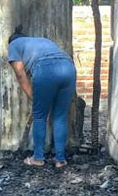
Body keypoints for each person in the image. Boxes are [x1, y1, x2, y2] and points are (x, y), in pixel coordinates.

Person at [7, 26, 76, 167]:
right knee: (60, 116)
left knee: (40, 116)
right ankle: (60, 159)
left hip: (46, 69)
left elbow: (21, 75)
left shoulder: (13, 45)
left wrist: (35, 97)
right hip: (68, 68)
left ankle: (37, 158)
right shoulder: (41, 41)